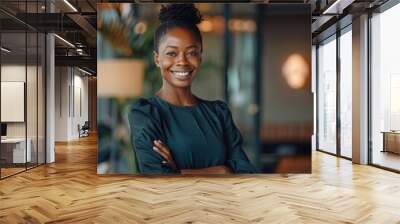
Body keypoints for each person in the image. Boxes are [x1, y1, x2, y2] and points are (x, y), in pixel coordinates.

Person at [128, 4, 256, 174]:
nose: (182, 61)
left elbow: (246, 174)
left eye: (191, 53)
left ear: (200, 57)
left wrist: (179, 172)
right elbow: (158, 181)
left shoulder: (219, 113)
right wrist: (222, 171)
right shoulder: (146, 114)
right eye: (172, 53)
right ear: (157, 59)